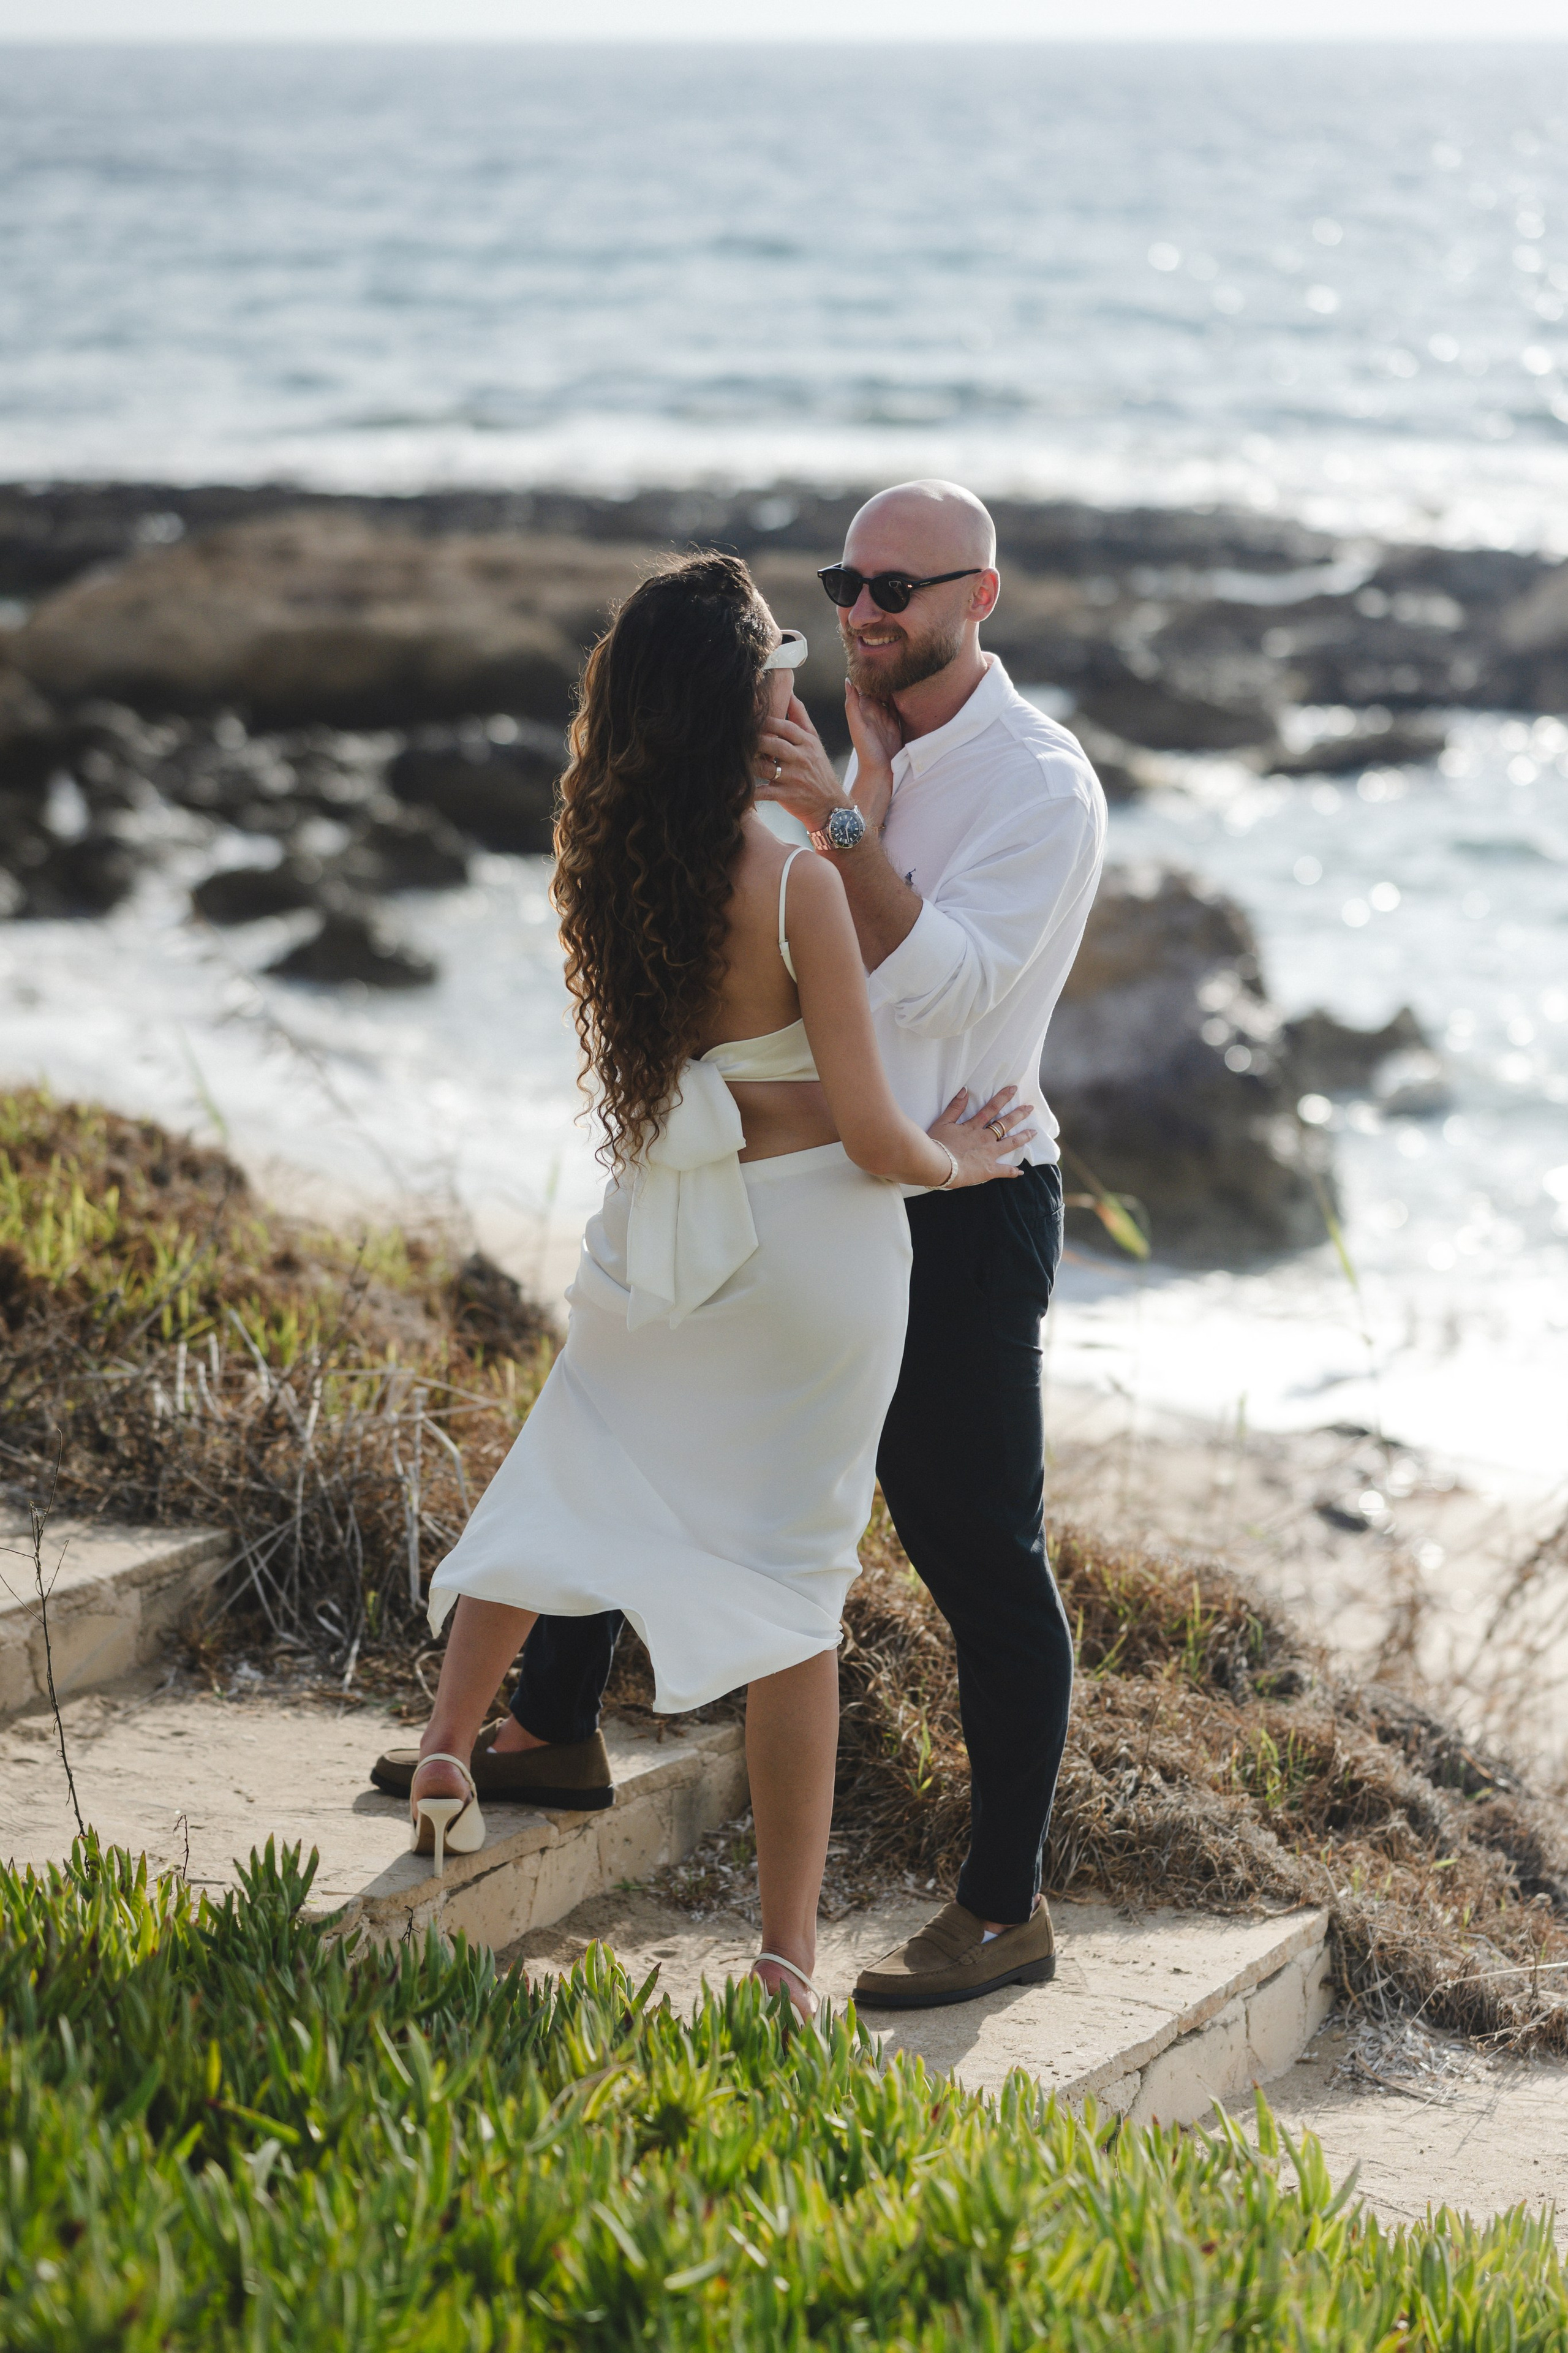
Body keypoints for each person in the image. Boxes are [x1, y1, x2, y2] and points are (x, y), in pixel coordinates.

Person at [385, 550, 1030, 2024]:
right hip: (807, 1254)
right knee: (794, 1589)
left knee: (568, 1460)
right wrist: (962, 1163)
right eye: (780, 656)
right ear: (745, 693)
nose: (799, 670)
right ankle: (783, 1956)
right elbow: (871, 1130)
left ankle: (444, 1752)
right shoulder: (794, 877)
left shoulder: (606, 862)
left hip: (659, 1225)